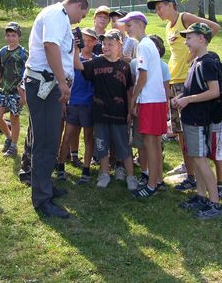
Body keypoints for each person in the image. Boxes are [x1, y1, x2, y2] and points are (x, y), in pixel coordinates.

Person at [25, 0, 90, 219]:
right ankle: (42, 199)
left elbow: (65, 54)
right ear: (77, 5)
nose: (79, 21)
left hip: (50, 84)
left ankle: (46, 188)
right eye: (81, 15)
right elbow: (50, 46)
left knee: (49, 139)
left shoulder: (61, 18)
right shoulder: (56, 14)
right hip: (46, 84)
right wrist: (63, 83)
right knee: (45, 142)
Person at [147, 0, 221, 191]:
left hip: (185, 82)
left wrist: (193, 56)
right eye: (156, 8)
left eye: (160, 7)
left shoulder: (184, 18)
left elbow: (214, 28)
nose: (158, 11)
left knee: (188, 131)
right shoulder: (168, 26)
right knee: (179, 131)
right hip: (173, 80)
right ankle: (189, 171)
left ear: (171, 5)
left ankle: (195, 176)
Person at [74, 29, 137, 190]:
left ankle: (130, 176)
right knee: (101, 145)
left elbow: (129, 90)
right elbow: (78, 65)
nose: (106, 46)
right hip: (100, 113)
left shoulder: (125, 66)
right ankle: (104, 174)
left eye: (110, 44)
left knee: (123, 146)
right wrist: (76, 48)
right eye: (104, 43)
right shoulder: (96, 62)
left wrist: (130, 110)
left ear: (119, 46)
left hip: (119, 114)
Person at [173, 23, 222, 219]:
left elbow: (214, 91)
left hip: (199, 119)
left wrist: (187, 99)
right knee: (196, 157)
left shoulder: (208, 62)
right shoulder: (196, 61)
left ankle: (215, 204)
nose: (186, 41)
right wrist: (181, 98)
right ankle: (201, 196)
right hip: (191, 117)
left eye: (190, 37)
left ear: (202, 38)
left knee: (201, 161)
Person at [120, 11, 167, 198]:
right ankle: (158, 180)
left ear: (140, 24)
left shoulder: (143, 46)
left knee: (150, 143)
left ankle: (152, 184)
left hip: (150, 100)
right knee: (153, 142)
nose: (126, 28)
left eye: (129, 25)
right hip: (156, 99)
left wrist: (134, 99)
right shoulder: (148, 45)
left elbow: (143, 76)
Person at [56, 28, 97, 183]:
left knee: (88, 137)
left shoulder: (96, 60)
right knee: (67, 136)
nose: (86, 43)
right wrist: (64, 102)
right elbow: (66, 81)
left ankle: (86, 170)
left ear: (94, 42)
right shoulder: (73, 59)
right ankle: (60, 166)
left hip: (89, 105)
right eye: (83, 40)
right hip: (73, 103)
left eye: (89, 40)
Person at [0, 22, 28, 157]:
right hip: (4, 90)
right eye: (8, 35)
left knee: (14, 118)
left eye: (13, 35)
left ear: (19, 36)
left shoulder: (23, 53)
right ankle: (9, 136)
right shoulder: (2, 52)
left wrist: (23, 95)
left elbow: (27, 74)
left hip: (17, 92)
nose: (11, 38)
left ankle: (13, 146)